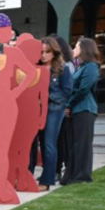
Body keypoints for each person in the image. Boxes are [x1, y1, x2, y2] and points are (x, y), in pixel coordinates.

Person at [36, 36, 73, 191]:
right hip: (37, 110)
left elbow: (67, 91)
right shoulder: (35, 68)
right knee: (41, 145)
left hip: (54, 109)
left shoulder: (62, 69)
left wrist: (46, 98)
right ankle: (41, 175)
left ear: (54, 52)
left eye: (47, 52)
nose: (44, 55)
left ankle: (47, 181)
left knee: (50, 144)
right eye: (42, 52)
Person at [63, 37, 100, 185]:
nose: (73, 50)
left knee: (82, 144)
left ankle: (82, 176)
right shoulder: (80, 67)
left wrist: (69, 105)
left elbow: (83, 89)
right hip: (75, 109)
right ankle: (71, 175)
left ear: (84, 49)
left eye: (76, 47)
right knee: (73, 144)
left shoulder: (91, 67)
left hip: (85, 109)